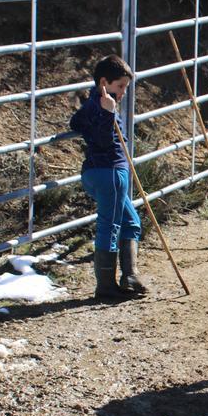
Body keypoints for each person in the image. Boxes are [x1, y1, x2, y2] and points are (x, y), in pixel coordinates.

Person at [70, 55, 149, 300]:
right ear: (104, 82)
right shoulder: (104, 108)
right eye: (120, 86)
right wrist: (107, 114)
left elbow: (75, 122)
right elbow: (104, 141)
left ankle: (130, 276)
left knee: (131, 222)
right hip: (110, 173)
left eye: (125, 87)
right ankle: (105, 286)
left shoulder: (92, 105)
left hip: (102, 172)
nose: (123, 92)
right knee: (110, 226)